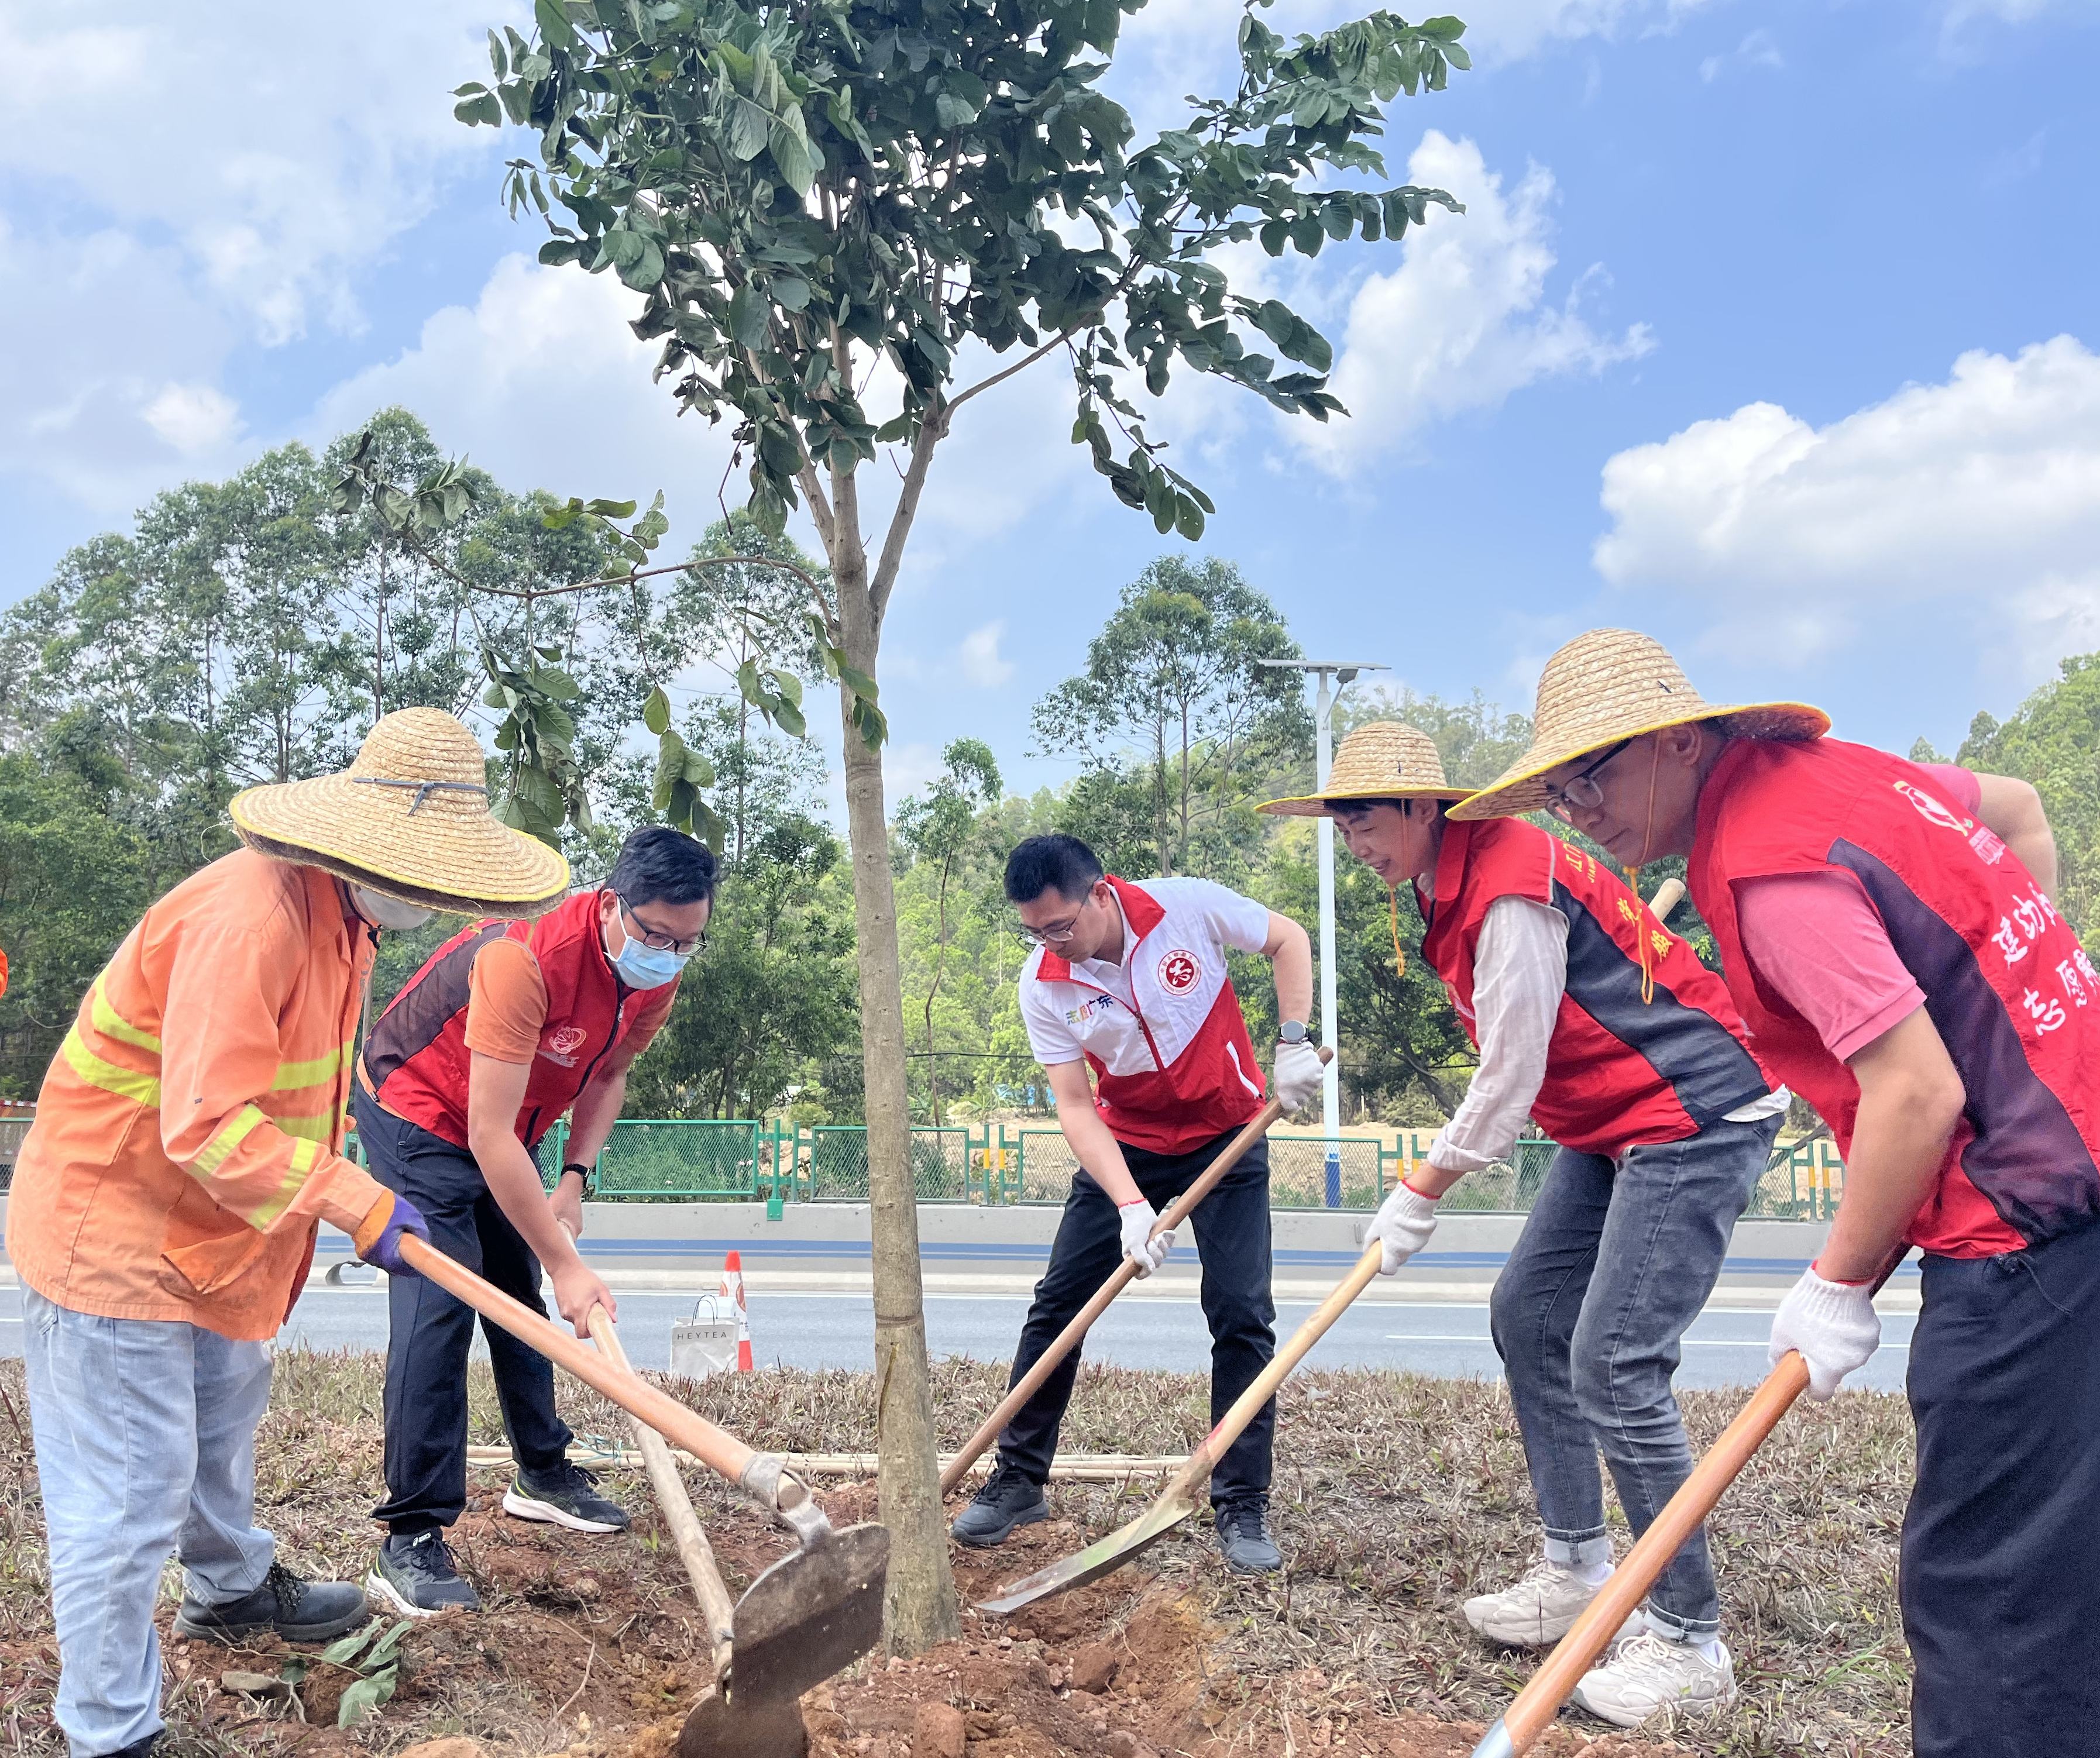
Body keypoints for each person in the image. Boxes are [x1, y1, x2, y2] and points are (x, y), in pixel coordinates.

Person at [1452, 627, 2091, 1755]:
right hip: (2067, 1163)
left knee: (1981, 1589)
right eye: (1556, 789)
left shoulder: (1763, 864)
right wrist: (2014, 1006)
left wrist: (1835, 1284)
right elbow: (2019, 808)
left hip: (2029, 1232)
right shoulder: (1860, 779)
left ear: (1682, 743)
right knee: (2054, 1552)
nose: (1576, 807)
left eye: (1593, 773)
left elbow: (1913, 1093)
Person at [7, 707, 568, 1758]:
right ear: (352, 841)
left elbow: (293, 1091)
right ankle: (109, 1730)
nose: (430, 896)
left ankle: (227, 1592)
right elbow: (205, 1121)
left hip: (218, 1228)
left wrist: (343, 1197)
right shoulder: (253, 919)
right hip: (116, 1230)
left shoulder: (342, 924)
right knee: (128, 1501)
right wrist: (360, 1202)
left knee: (221, 1425)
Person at [1260, 723, 1787, 1723]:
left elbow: (1509, 1071)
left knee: (1614, 1361)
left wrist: (1420, 1186)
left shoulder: (1508, 878)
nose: (1355, 844)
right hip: (1608, 1120)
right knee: (1529, 1314)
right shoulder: (1436, 888)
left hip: (1694, 1109)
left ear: (1423, 808)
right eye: (1340, 826)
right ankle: (1576, 1565)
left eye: (1365, 820)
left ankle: (1687, 1643)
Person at [355, 824, 714, 1616]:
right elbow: (484, 1134)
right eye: (658, 935)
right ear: (613, 903)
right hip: (418, 1109)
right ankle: (410, 1533)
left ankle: (543, 1472)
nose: (670, 953)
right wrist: (568, 1263)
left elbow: (608, 1073)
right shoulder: (523, 961)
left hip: (505, 1127)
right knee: (441, 1298)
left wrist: (574, 1182)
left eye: (688, 942)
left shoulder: (655, 974)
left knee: (516, 1293)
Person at [951, 834, 1321, 1573]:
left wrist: (1292, 1043)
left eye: (1060, 925)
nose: (1052, 944)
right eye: (1034, 931)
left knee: (1242, 1313)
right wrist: (1127, 1205)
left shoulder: (1183, 906)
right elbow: (1074, 1105)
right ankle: (1019, 1479)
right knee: (1057, 1303)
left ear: (1099, 892)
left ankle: (1241, 1500)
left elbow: (1288, 938)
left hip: (1227, 1133)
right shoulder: (1044, 983)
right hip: (1128, 1144)